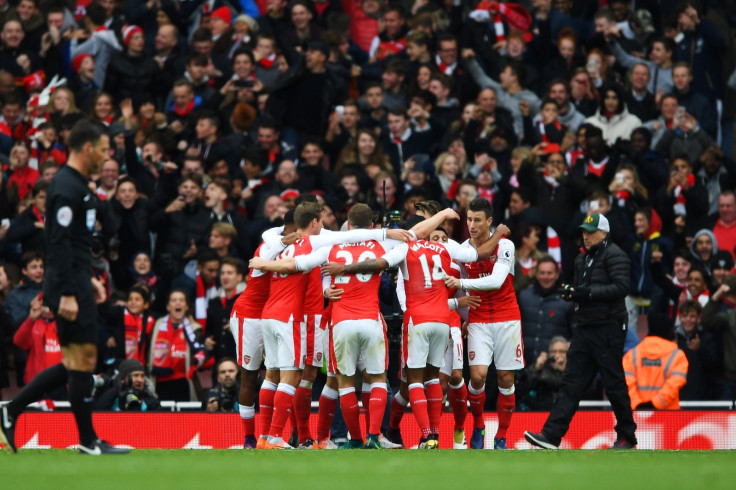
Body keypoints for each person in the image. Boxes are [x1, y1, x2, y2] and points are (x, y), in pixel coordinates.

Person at [1, 120, 130, 455]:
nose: (105, 156)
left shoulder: (78, 184)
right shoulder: (64, 186)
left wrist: (87, 279)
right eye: (102, 149)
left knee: (78, 360)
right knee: (83, 359)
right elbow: (56, 243)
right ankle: (87, 440)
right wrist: (71, 292)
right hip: (67, 287)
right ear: (87, 148)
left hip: (75, 281)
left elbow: (75, 244)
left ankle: (13, 410)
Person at [525, 213, 637, 449]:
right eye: (584, 231)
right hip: (586, 327)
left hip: (608, 327)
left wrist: (584, 293)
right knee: (571, 383)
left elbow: (621, 288)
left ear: (603, 233)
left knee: (613, 383)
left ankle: (627, 435)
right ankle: (551, 436)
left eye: (590, 231)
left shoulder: (616, 255)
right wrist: (572, 292)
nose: (585, 236)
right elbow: (586, 289)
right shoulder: (581, 259)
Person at [442, 197, 524, 450]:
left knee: (506, 380)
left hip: (508, 317)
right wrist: (463, 319)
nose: (472, 225)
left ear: (489, 221)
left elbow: (496, 281)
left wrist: (462, 284)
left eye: (478, 220)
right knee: (477, 378)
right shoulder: (463, 249)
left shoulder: (505, 244)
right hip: (478, 319)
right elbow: (458, 293)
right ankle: (478, 424)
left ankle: (501, 436)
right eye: (469, 219)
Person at [622, 320, 688, 410]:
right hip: (669, 416)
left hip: (636, 415)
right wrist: (655, 404)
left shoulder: (632, 355)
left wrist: (637, 404)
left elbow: (626, 384)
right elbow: (674, 385)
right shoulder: (677, 355)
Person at [94, 359, 161, 412]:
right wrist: (115, 388)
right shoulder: (111, 397)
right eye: (136, 375)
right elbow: (96, 412)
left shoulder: (150, 400)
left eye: (142, 376)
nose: (140, 380)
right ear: (122, 378)